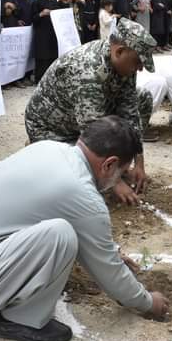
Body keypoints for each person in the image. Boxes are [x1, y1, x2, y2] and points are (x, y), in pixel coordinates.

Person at [0, 116, 170, 341]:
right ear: (109, 164)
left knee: (58, 232)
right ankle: (20, 319)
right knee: (61, 235)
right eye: (122, 173)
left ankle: (2, 294)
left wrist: (111, 251)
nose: (120, 179)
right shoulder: (82, 194)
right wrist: (148, 302)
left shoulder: (48, 148)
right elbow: (109, 274)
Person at [25, 18, 156, 205]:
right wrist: (115, 182)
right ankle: (41, 149)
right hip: (53, 128)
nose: (140, 68)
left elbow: (130, 111)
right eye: (137, 62)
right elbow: (94, 133)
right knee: (80, 182)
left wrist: (138, 163)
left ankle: (117, 164)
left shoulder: (124, 62)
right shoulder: (88, 71)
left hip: (82, 117)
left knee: (142, 97)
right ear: (119, 51)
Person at [31, 0, 59, 83]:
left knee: (52, 56)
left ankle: (50, 80)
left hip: (52, 34)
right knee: (43, 58)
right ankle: (40, 80)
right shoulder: (37, 2)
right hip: (41, 35)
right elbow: (32, 19)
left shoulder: (54, 2)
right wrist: (41, 14)